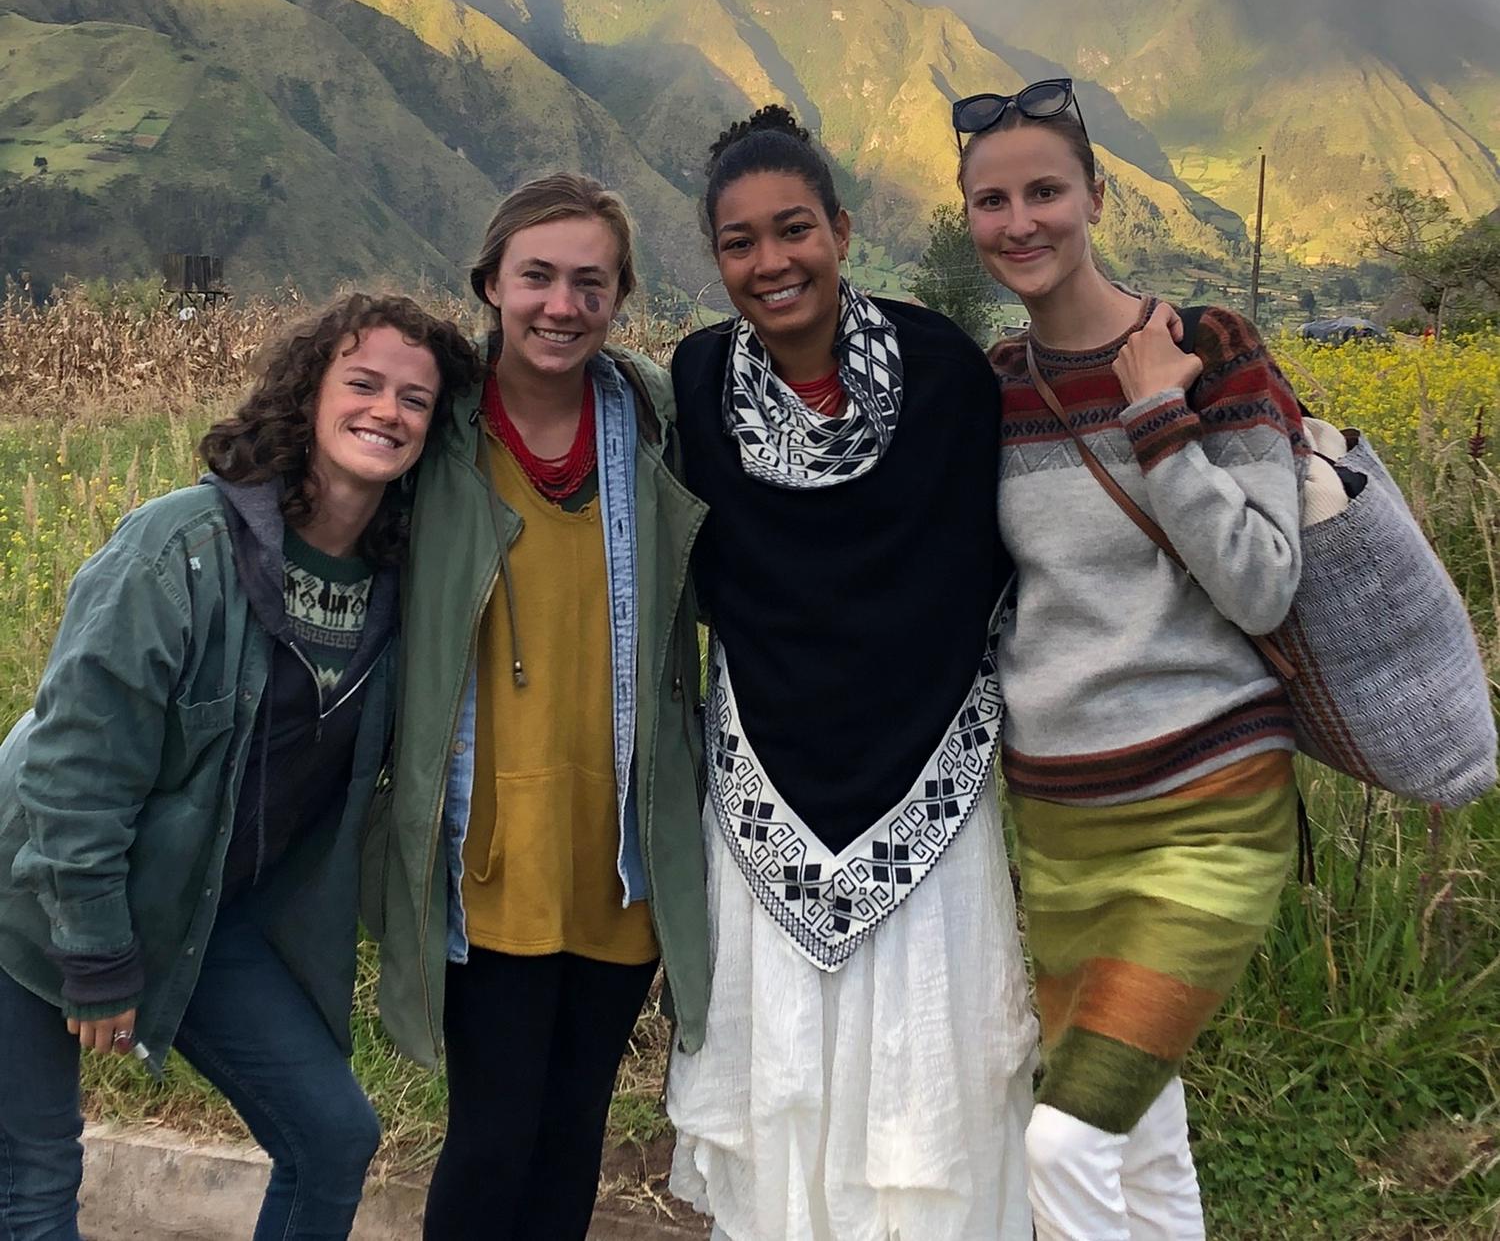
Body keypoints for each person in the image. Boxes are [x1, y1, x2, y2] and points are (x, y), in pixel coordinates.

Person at [0, 293, 477, 1241]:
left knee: (332, 1138)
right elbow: (72, 766)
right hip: (29, 892)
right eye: (363, 383)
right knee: (37, 1177)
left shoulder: (403, 586)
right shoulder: (180, 547)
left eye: (415, 400)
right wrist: (95, 953)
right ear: (308, 396)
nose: (387, 411)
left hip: (196, 907)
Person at [665, 106, 1037, 1241]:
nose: (771, 262)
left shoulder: (943, 370)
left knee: (926, 1071)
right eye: (739, 243)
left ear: (840, 228)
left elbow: (992, 557)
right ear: (717, 258)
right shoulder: (696, 382)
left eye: (794, 229)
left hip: (927, 772)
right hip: (765, 771)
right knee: (781, 1073)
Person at [954, 78, 1307, 1240]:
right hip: (1063, 820)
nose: (1020, 223)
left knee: (1063, 1138)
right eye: (992, 201)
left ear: (1098, 197)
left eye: (1045, 192)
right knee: (1141, 1136)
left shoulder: (1207, 349)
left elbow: (1262, 581)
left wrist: (1158, 420)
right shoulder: (996, 388)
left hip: (1208, 810)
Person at [369, 174, 711, 1241]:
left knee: (573, 1136)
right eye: (538, 277)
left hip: (619, 853)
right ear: (491, 284)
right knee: (493, 1138)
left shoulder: (653, 424)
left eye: (590, 283)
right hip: (490, 855)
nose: (563, 306)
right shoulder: (435, 432)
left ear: (621, 297)